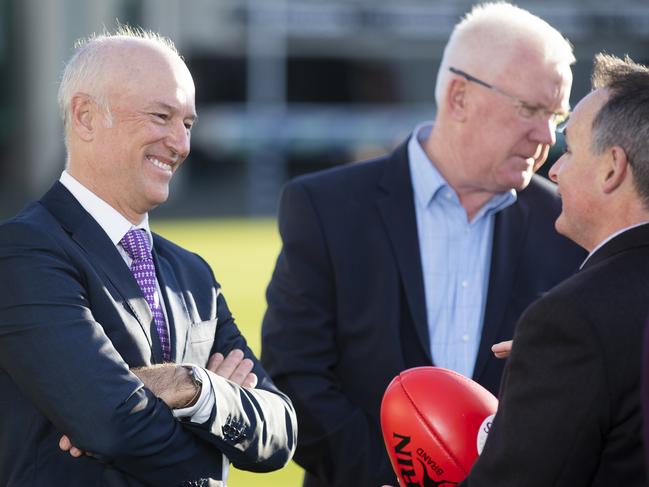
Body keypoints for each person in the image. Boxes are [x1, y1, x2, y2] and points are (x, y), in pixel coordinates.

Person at [260, 2, 585, 486]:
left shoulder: (570, 226)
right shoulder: (325, 207)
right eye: (530, 109)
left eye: (556, 115)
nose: (547, 135)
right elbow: (295, 377)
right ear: (458, 97)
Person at [0, 28, 296, 486]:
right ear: (85, 116)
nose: (181, 144)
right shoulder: (23, 252)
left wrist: (191, 386)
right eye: (161, 116)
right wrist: (216, 450)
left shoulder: (193, 274)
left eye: (188, 124)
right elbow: (111, 425)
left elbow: (280, 430)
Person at [457, 52, 649, 486]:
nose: (555, 170)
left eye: (570, 149)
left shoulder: (572, 322)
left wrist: (559, 353)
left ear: (612, 168)